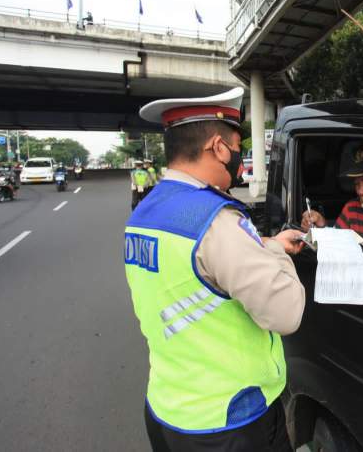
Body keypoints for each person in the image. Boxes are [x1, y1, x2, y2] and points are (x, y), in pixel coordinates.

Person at [127, 87, 306, 451]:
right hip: (230, 419)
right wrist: (278, 256)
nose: (239, 154)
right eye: (237, 143)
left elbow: (200, 270)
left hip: (169, 408)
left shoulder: (146, 213)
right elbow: (287, 313)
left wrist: (267, 245)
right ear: (219, 147)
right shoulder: (215, 220)